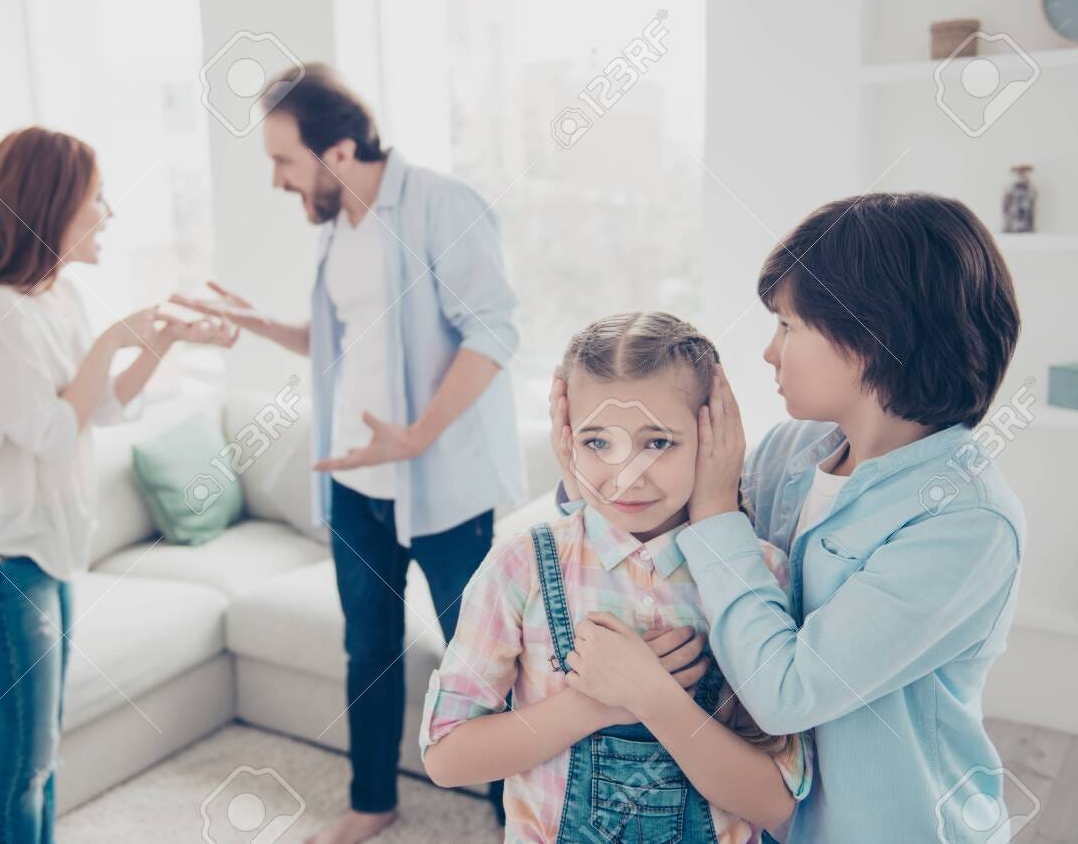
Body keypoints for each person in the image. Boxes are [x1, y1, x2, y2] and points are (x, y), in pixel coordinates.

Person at [558, 193, 1026, 842]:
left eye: (787, 325)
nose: (769, 352)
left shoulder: (967, 522)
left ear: (869, 337)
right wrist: (585, 466)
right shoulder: (790, 451)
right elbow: (663, 537)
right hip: (762, 815)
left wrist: (715, 507)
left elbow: (785, 692)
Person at [172, 63, 524, 843]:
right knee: (367, 649)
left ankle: (516, 813)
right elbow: (339, 339)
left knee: (482, 662)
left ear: (337, 152)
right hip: (357, 486)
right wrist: (256, 322)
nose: (276, 180)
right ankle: (372, 800)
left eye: (283, 160)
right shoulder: (338, 229)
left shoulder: (441, 205)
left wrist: (419, 434)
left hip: (442, 486)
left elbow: (495, 329)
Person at [0, 126, 235, 844]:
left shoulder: (57, 297)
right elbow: (55, 432)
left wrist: (163, 340)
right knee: (25, 761)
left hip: (44, 554)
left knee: (45, 751)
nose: (109, 214)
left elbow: (105, 406)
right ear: (50, 204)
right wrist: (111, 340)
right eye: (97, 198)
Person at [421, 312, 811, 843]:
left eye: (658, 443)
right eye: (598, 442)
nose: (626, 474)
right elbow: (447, 758)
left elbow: (776, 803)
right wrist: (595, 705)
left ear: (711, 435)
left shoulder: (759, 574)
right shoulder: (522, 564)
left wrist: (653, 698)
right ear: (567, 440)